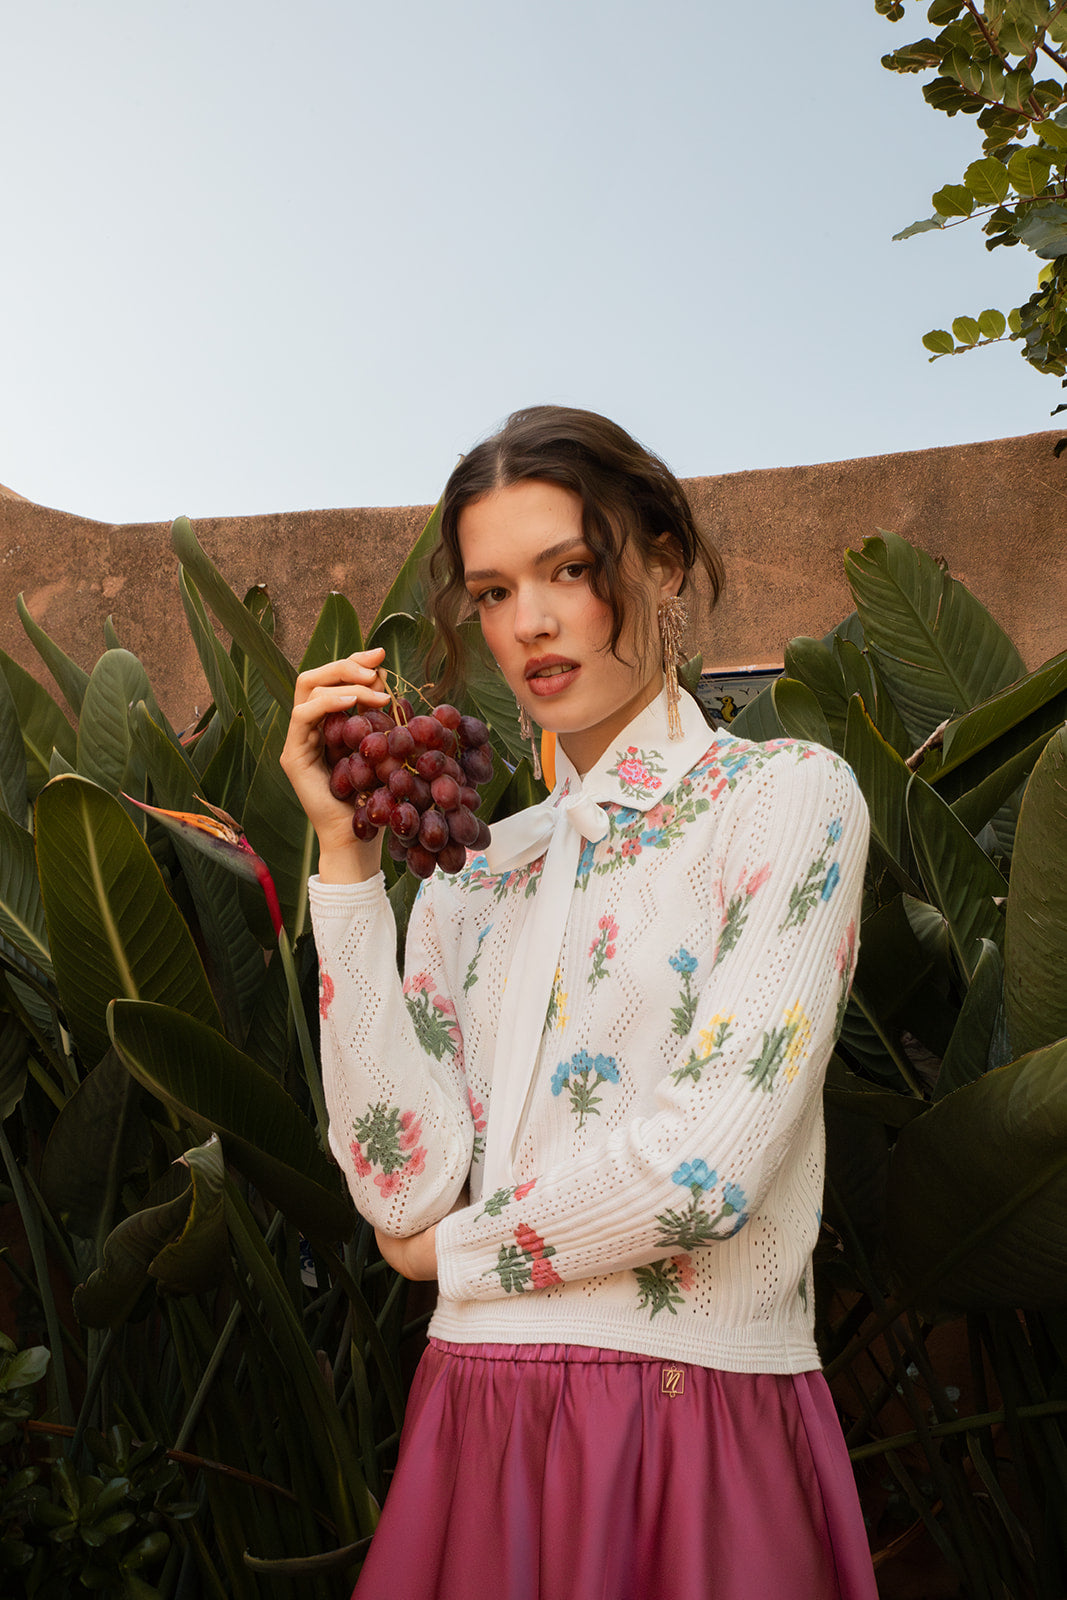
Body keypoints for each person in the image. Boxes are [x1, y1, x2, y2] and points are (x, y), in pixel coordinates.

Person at [280, 406, 877, 1600]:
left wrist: (444, 1253)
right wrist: (343, 866)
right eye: (493, 592)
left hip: (685, 1417)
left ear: (660, 563)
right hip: (473, 1417)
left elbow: (702, 1170)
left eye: (567, 569)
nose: (531, 623)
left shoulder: (786, 800)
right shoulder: (476, 869)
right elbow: (402, 1177)